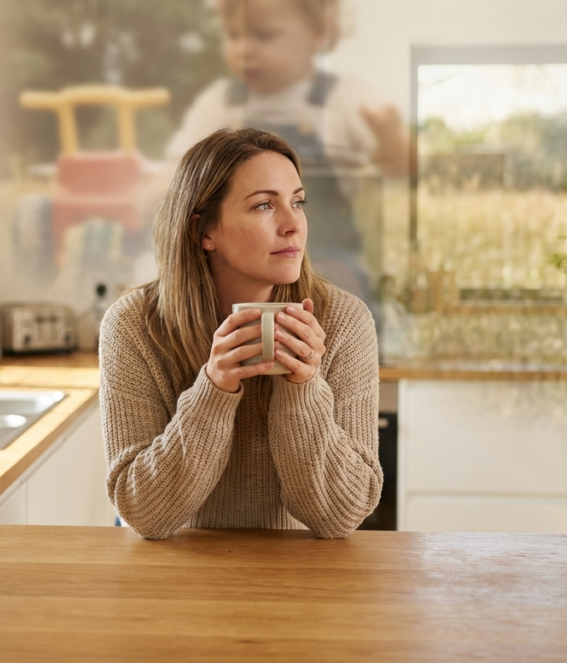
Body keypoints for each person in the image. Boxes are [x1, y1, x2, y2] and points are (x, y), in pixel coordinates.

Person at [100, 128, 382, 539]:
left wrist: (303, 387)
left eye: (297, 202)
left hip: (301, 579)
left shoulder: (344, 321)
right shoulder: (133, 326)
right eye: (264, 205)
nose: (293, 225)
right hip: (175, 581)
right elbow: (144, 514)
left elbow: (341, 518)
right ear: (203, 231)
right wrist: (212, 390)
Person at [165, 0, 407, 317]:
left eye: (263, 35)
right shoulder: (217, 103)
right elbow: (175, 173)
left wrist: (390, 139)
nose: (244, 48)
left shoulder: (344, 98)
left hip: (329, 263)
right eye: (234, 35)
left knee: (341, 293)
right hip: (236, 274)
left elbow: (403, 167)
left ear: (318, 32)